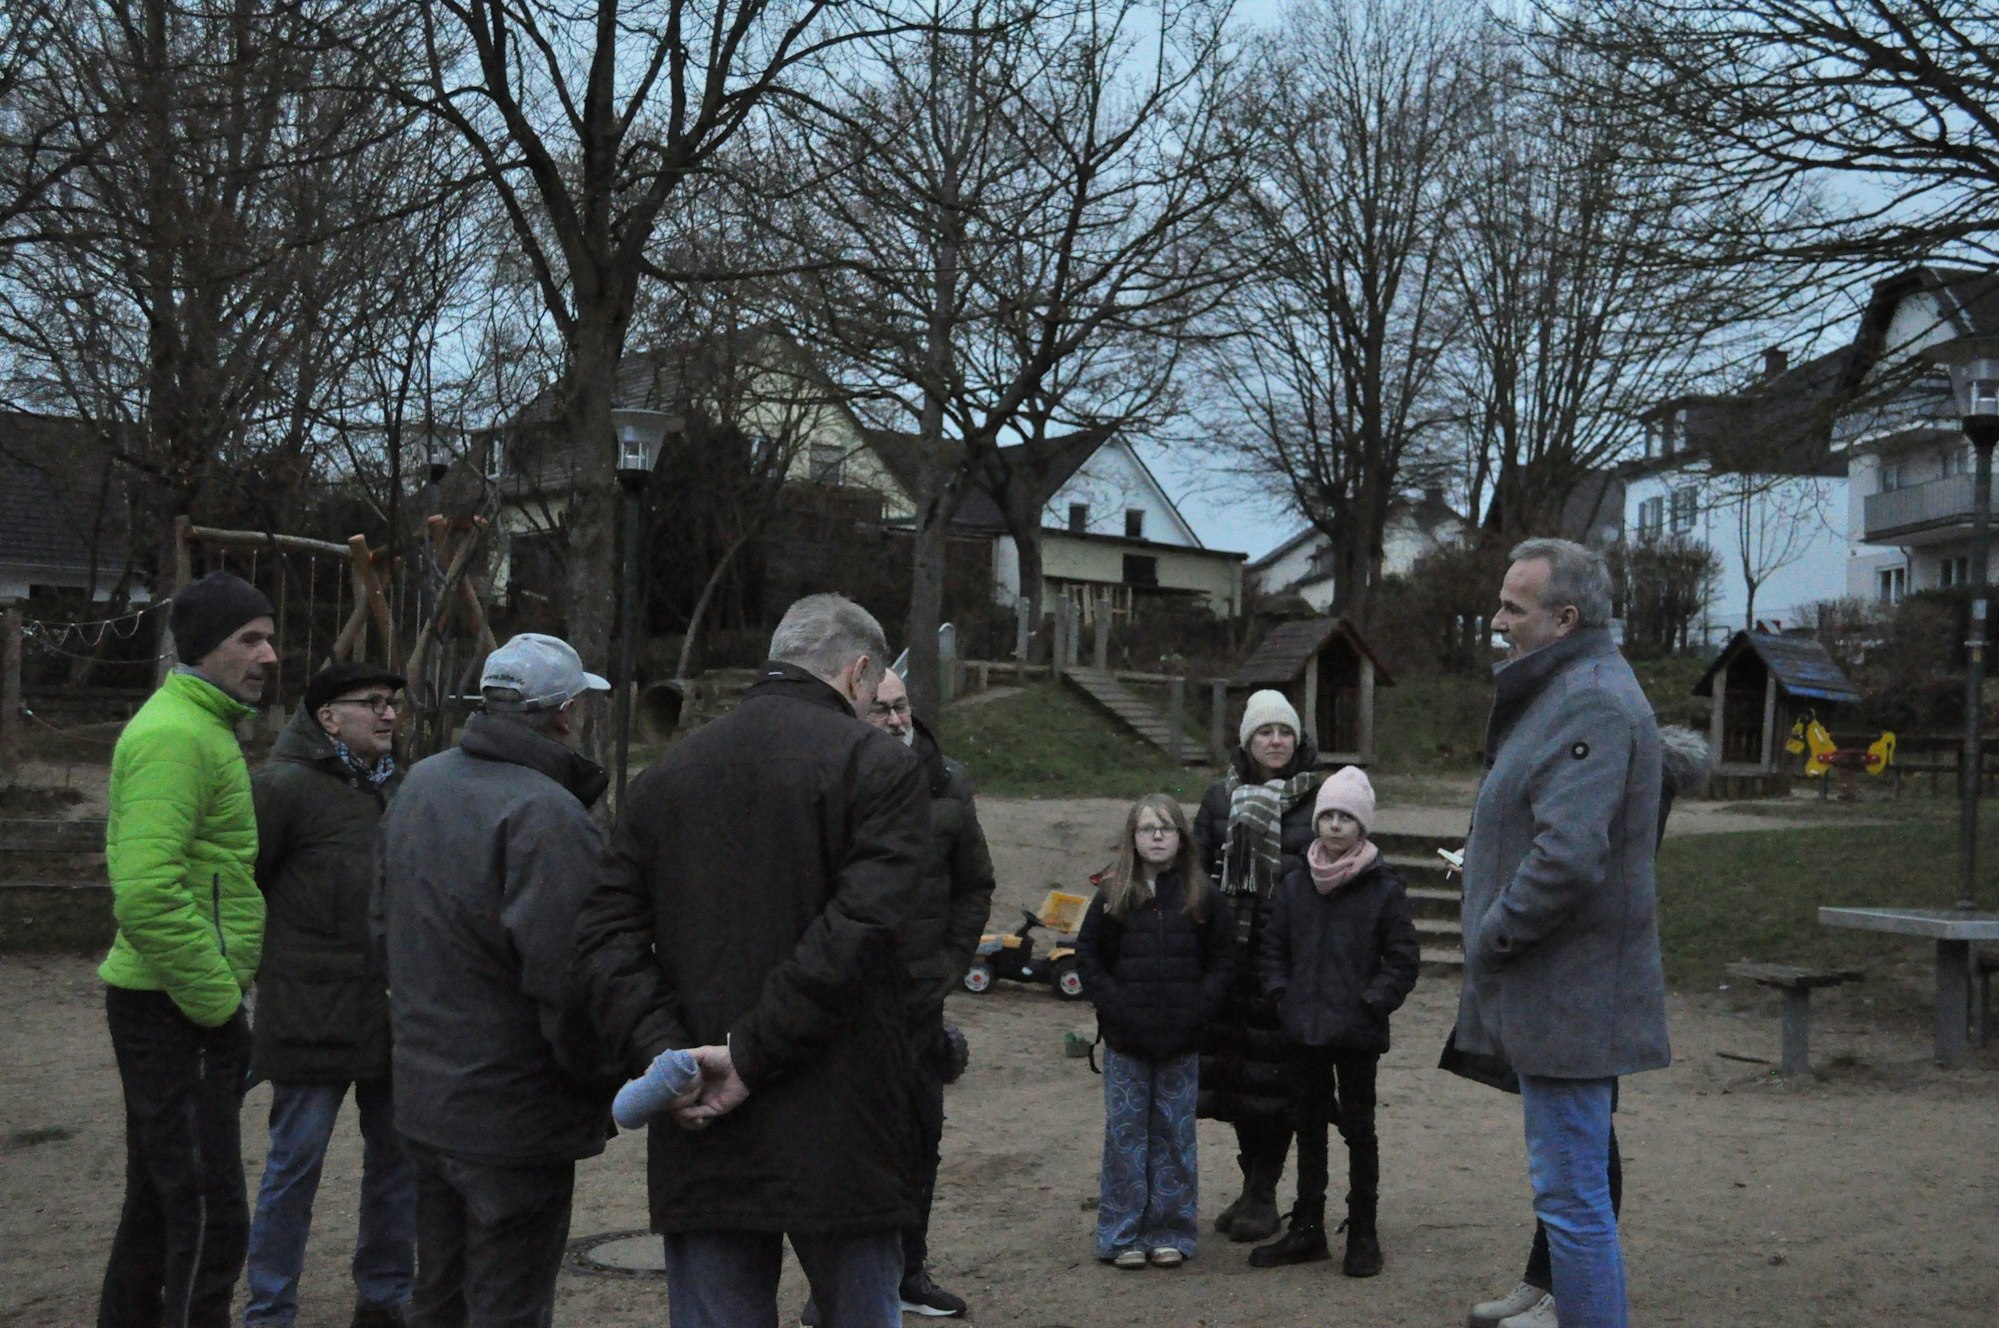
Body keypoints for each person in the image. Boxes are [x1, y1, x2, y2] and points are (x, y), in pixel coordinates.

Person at [571, 593, 929, 1328]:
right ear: (859, 673)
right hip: (842, 1116)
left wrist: (668, 1056)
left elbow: (605, 936)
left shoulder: (665, 777)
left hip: (700, 1119)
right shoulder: (877, 766)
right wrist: (748, 1054)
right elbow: (861, 931)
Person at [1452, 538, 1670, 1328]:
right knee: (1569, 1193)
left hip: (1569, 995)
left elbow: (1568, 859)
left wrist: (1489, 934)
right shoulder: (1566, 688)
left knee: (1574, 1201)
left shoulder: (1589, 700)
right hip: (1562, 993)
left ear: (1564, 618)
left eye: (1514, 607)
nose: (1498, 619)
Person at [375, 633, 618, 1328]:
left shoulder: (419, 784)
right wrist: (596, 1079)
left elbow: (380, 928)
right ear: (567, 714)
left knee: (439, 1297)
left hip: (427, 1100)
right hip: (512, 1117)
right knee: (507, 1306)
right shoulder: (546, 815)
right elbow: (570, 980)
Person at [1463, 724, 1709, 1328]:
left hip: (1587, 983)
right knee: (1575, 1149)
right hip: (1567, 975)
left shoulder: (1616, 763)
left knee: (1586, 1148)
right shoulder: (1603, 754)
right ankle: (1543, 1280)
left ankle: (1562, 1295)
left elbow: (1582, 868)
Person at [96, 569, 276, 1327]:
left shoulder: (202, 725)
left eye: (271, 638)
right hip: (174, 1006)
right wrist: (216, 1005)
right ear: (203, 648)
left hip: (168, 1000)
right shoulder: (176, 735)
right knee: (208, 1215)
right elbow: (145, 891)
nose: (269, 655)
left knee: (157, 1202)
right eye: (249, 639)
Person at [244, 662, 415, 1328]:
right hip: (308, 1014)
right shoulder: (283, 789)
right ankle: (270, 1308)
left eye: (393, 704)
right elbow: (239, 885)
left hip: (390, 1010)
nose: (388, 714)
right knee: (294, 1166)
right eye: (371, 703)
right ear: (327, 717)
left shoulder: (402, 789)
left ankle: (385, 1297)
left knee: (397, 1166)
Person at [842, 665, 995, 1319]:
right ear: (854, 712)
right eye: (882, 710)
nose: (898, 720)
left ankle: (908, 1272)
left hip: (919, 1002)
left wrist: (949, 966)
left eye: (902, 707)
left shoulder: (947, 782)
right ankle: (844, 1288)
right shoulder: (833, 782)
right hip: (844, 1003)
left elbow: (975, 885)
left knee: (920, 1140)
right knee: (849, 1145)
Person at [1252, 767, 1419, 1277]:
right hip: (1302, 1029)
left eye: (1346, 817)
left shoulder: (1383, 889)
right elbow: (1273, 947)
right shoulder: (1296, 884)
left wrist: (1370, 1003)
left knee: (1359, 1130)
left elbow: (1403, 959)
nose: (1334, 825)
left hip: (1356, 1034)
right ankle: (1307, 1228)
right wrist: (1283, 997)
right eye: (1327, 814)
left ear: (1362, 826)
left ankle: (1363, 1230)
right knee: (1308, 1128)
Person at [1073, 794, 1235, 1270]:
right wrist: (1116, 1008)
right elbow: (1088, 957)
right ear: (1133, 837)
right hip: (1127, 1040)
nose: (1158, 836)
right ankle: (1121, 1233)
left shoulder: (1202, 895)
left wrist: (1199, 1009)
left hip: (1182, 1040)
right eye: (1148, 829)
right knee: (1125, 1137)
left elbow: (1224, 960)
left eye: (1166, 828)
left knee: (1174, 1135)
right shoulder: (1112, 894)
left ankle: (1171, 1230)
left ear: (1182, 837)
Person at [1190, 689, 1323, 1244]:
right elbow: (1193, 871)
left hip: (1288, 964)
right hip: (1229, 960)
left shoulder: (1320, 799)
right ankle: (1252, 1187)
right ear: (1248, 740)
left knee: (1276, 1082)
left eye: (1285, 732)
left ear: (1298, 740)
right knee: (1238, 1082)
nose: (1276, 741)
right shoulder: (1220, 798)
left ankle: (1265, 1193)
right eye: (1265, 732)